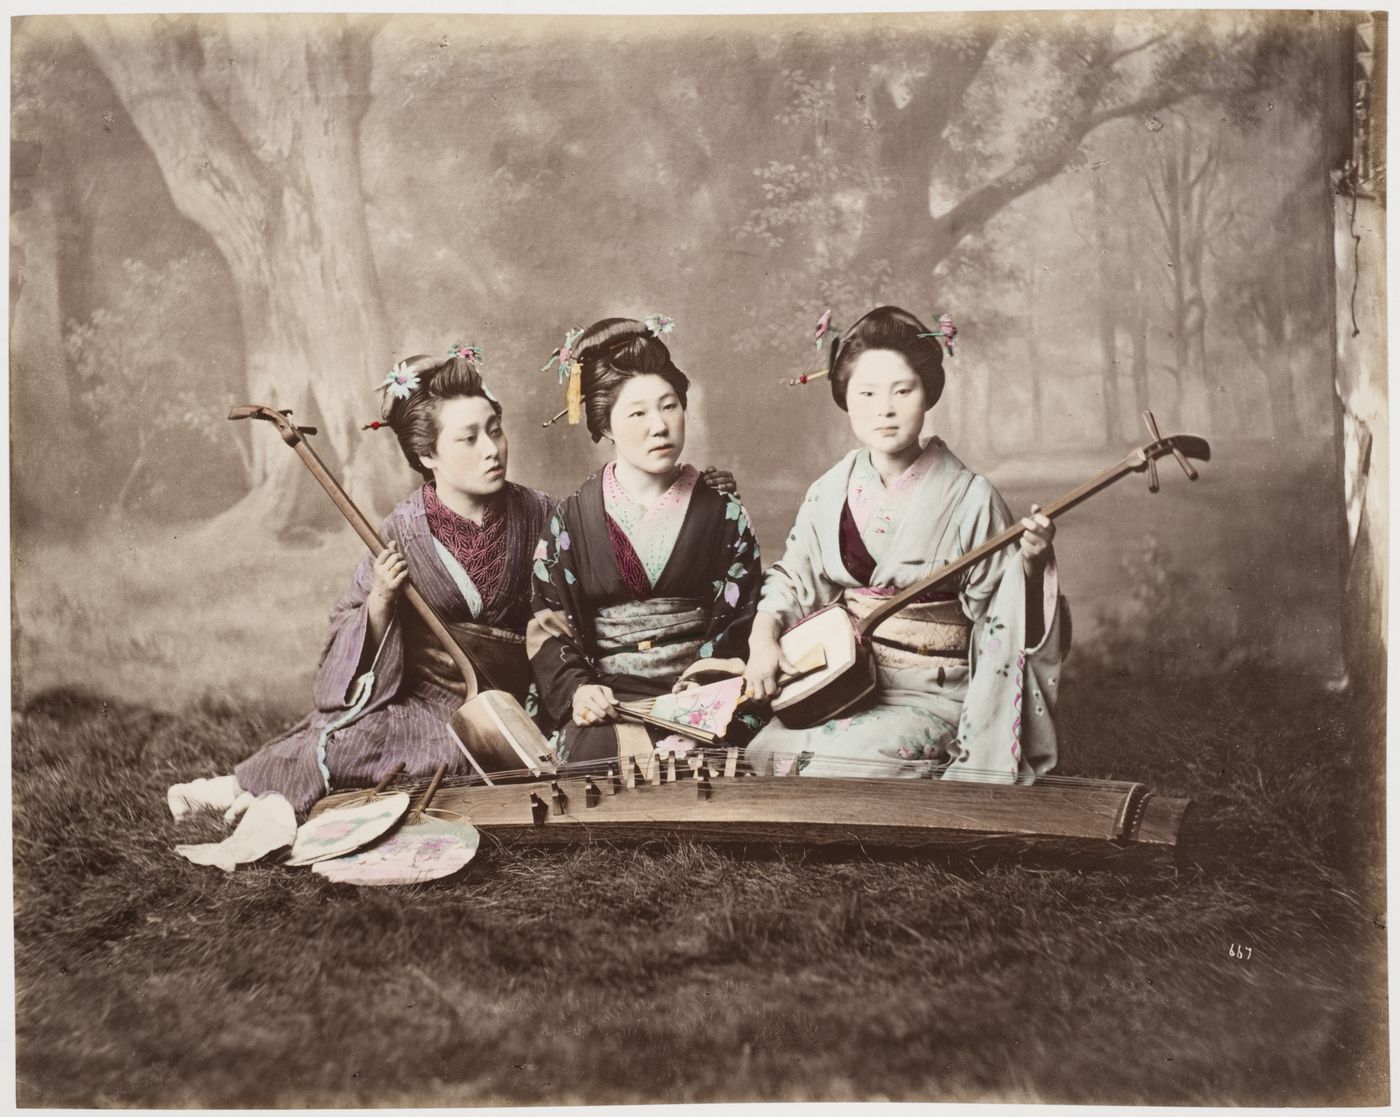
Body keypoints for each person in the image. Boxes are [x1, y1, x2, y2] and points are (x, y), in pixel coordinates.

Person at [167, 347, 552, 820]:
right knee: (359, 741)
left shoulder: (541, 514)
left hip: (522, 700)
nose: (492, 449)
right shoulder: (400, 532)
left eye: (495, 430)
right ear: (427, 454)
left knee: (544, 751)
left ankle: (261, 796)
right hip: (431, 701)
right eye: (468, 439)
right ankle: (236, 791)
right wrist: (380, 601)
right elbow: (346, 623)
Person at [741, 306, 1067, 782]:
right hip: (848, 683)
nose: (884, 409)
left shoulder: (969, 497)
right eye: (867, 393)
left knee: (837, 767)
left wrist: (1031, 566)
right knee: (765, 753)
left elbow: (1002, 611)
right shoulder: (829, 491)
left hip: (936, 691)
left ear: (927, 394)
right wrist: (761, 635)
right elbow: (795, 579)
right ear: (845, 398)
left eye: (902, 390)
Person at [528, 316, 763, 764]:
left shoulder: (723, 512)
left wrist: (702, 686)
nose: (659, 425)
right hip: (606, 696)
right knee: (591, 766)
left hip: (699, 689)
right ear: (606, 424)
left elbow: (740, 618)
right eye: (637, 413)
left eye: (669, 406)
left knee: (711, 767)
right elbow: (549, 619)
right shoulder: (572, 517)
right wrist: (578, 688)